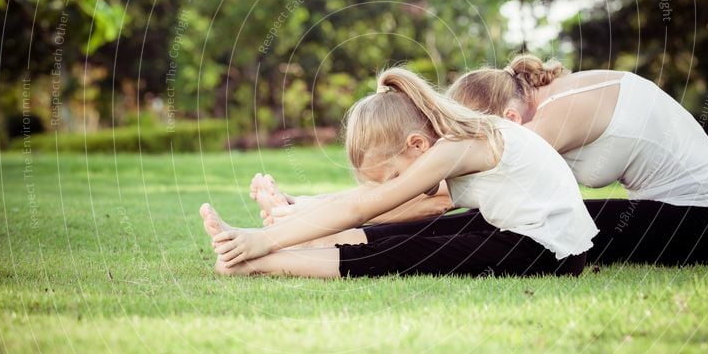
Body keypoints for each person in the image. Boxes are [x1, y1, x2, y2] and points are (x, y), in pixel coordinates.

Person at [200, 67, 598, 278]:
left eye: (391, 176)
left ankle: (258, 263)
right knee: (414, 231)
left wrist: (263, 242)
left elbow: (364, 207)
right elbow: (363, 200)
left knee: (404, 252)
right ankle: (299, 246)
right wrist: (299, 211)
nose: (392, 188)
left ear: (416, 145)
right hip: (530, 237)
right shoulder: (462, 136)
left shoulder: (456, 146)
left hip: (550, 253)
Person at [447, 55, 708, 266]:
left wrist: (413, 185)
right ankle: (402, 237)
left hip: (702, 225)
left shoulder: (558, 112)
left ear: (505, 114)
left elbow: (468, 181)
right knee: (503, 216)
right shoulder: (554, 96)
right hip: (679, 213)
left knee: (530, 226)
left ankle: (404, 242)